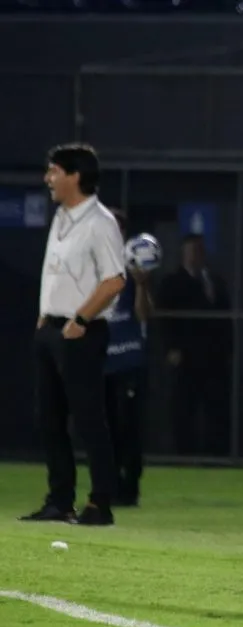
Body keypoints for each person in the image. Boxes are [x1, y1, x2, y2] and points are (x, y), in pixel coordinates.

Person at [20, 143, 125, 526]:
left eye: (54, 171)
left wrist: (80, 319)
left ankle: (100, 502)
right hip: (52, 327)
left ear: (74, 175)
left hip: (81, 331)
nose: (48, 179)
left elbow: (114, 280)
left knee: (88, 419)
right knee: (49, 418)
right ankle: (59, 500)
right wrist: (44, 316)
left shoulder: (100, 222)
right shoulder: (62, 217)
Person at [157, 234, 232, 456]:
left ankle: (215, 456)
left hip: (213, 358)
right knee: (183, 408)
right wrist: (171, 348)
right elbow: (165, 319)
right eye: (191, 251)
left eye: (198, 251)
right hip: (186, 356)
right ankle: (184, 454)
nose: (195, 256)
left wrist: (228, 349)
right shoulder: (172, 283)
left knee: (215, 408)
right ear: (183, 255)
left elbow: (225, 318)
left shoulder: (214, 282)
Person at [104, 209, 153, 507]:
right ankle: (107, 483)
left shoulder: (134, 269)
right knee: (105, 425)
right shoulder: (93, 266)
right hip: (102, 360)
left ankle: (129, 485)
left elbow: (145, 314)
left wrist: (143, 284)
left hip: (129, 359)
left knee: (129, 425)